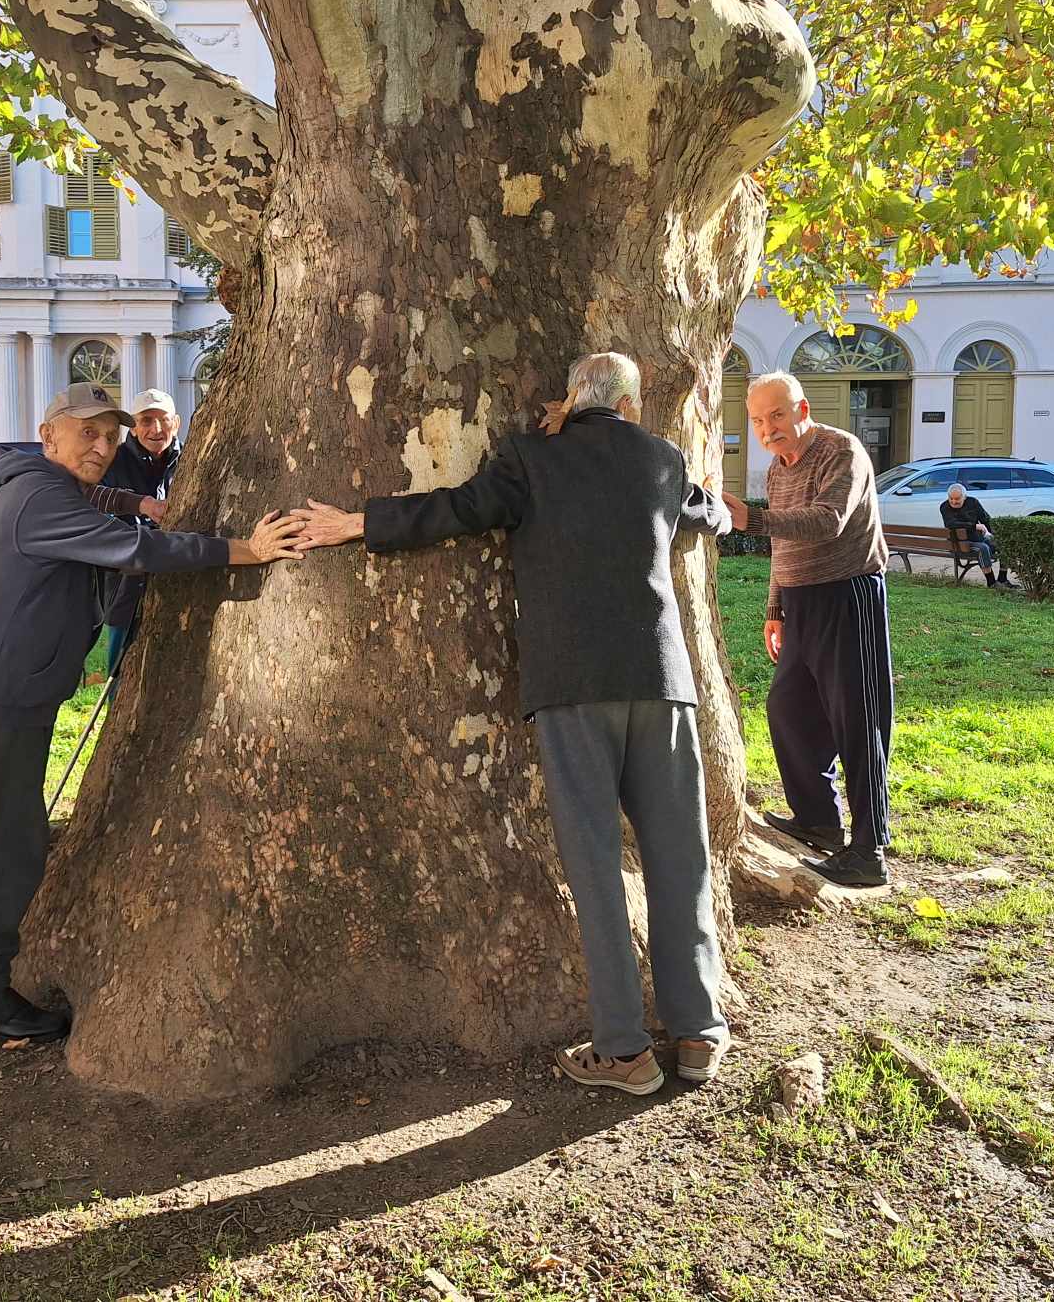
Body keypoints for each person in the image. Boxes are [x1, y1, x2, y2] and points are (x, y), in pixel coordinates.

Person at [293, 352, 734, 1097]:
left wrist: (358, 522)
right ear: (629, 405)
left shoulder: (531, 458)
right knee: (680, 860)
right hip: (662, 683)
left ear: (569, 399)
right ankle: (697, 1033)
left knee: (595, 869)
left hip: (571, 686)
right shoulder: (662, 459)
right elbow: (707, 510)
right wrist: (719, 508)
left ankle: (625, 1049)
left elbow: (458, 509)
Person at [0, 382, 304, 1043]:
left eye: (111, 435)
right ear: (48, 436)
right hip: (10, 691)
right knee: (12, 845)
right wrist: (245, 550)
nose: (102, 446)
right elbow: (139, 551)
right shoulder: (41, 496)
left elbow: (111, 511)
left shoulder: (38, 485)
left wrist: (136, 504)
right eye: (87, 433)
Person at [721, 372, 893, 890]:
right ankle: (819, 820)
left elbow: (827, 521)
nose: (768, 428)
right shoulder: (776, 470)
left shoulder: (841, 451)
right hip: (800, 605)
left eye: (776, 414)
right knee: (788, 709)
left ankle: (869, 851)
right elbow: (783, 549)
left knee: (857, 720)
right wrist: (775, 609)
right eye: (757, 420)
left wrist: (752, 520)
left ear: (801, 408)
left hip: (848, 594)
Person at [92, 388, 184, 678]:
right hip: (125, 584)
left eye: (163, 420)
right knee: (121, 671)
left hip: (181, 577)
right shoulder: (112, 462)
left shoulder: (192, 460)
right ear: (133, 426)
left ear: (176, 423)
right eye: (146, 420)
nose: (156, 429)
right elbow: (100, 516)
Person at [939, 482, 1017, 588]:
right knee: (983, 548)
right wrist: (974, 526)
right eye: (951, 498)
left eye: (957, 499)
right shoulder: (944, 506)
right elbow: (951, 524)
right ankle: (991, 583)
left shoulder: (973, 502)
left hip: (978, 538)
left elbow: (986, 520)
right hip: (959, 543)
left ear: (964, 497)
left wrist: (999, 535)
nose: (953, 501)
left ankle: (1002, 579)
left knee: (1004, 545)